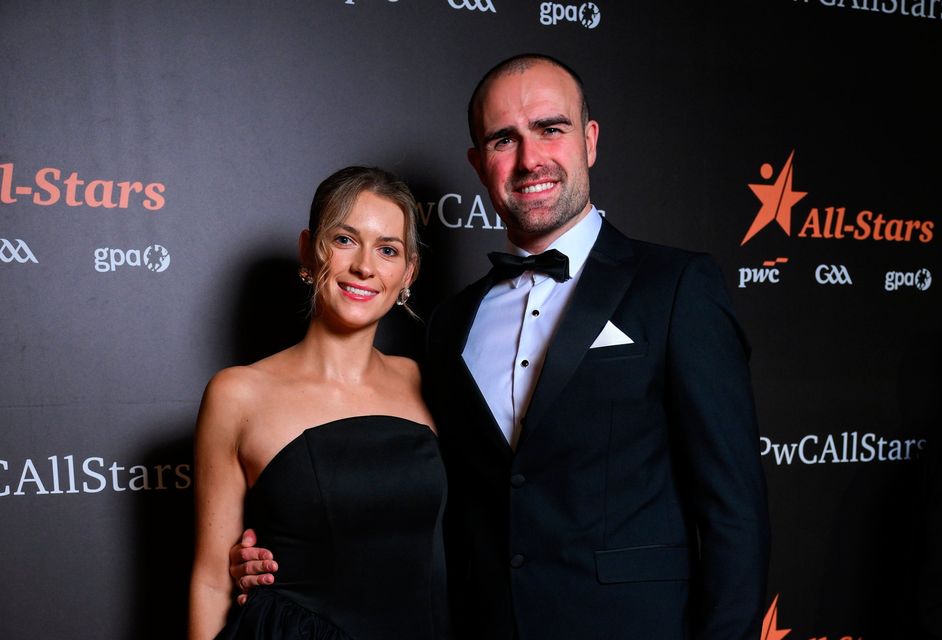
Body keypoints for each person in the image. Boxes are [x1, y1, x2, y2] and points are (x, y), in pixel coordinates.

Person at [232, 54, 771, 639]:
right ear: (478, 163)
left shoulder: (677, 287)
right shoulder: (451, 323)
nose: (530, 158)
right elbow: (418, 503)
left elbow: (733, 514)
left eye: (551, 128)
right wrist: (283, 563)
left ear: (589, 140)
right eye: (503, 139)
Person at [188, 166, 449, 640]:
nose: (365, 266)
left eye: (387, 249)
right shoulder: (238, 393)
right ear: (308, 251)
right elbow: (210, 580)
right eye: (345, 240)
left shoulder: (424, 380)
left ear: (408, 272)